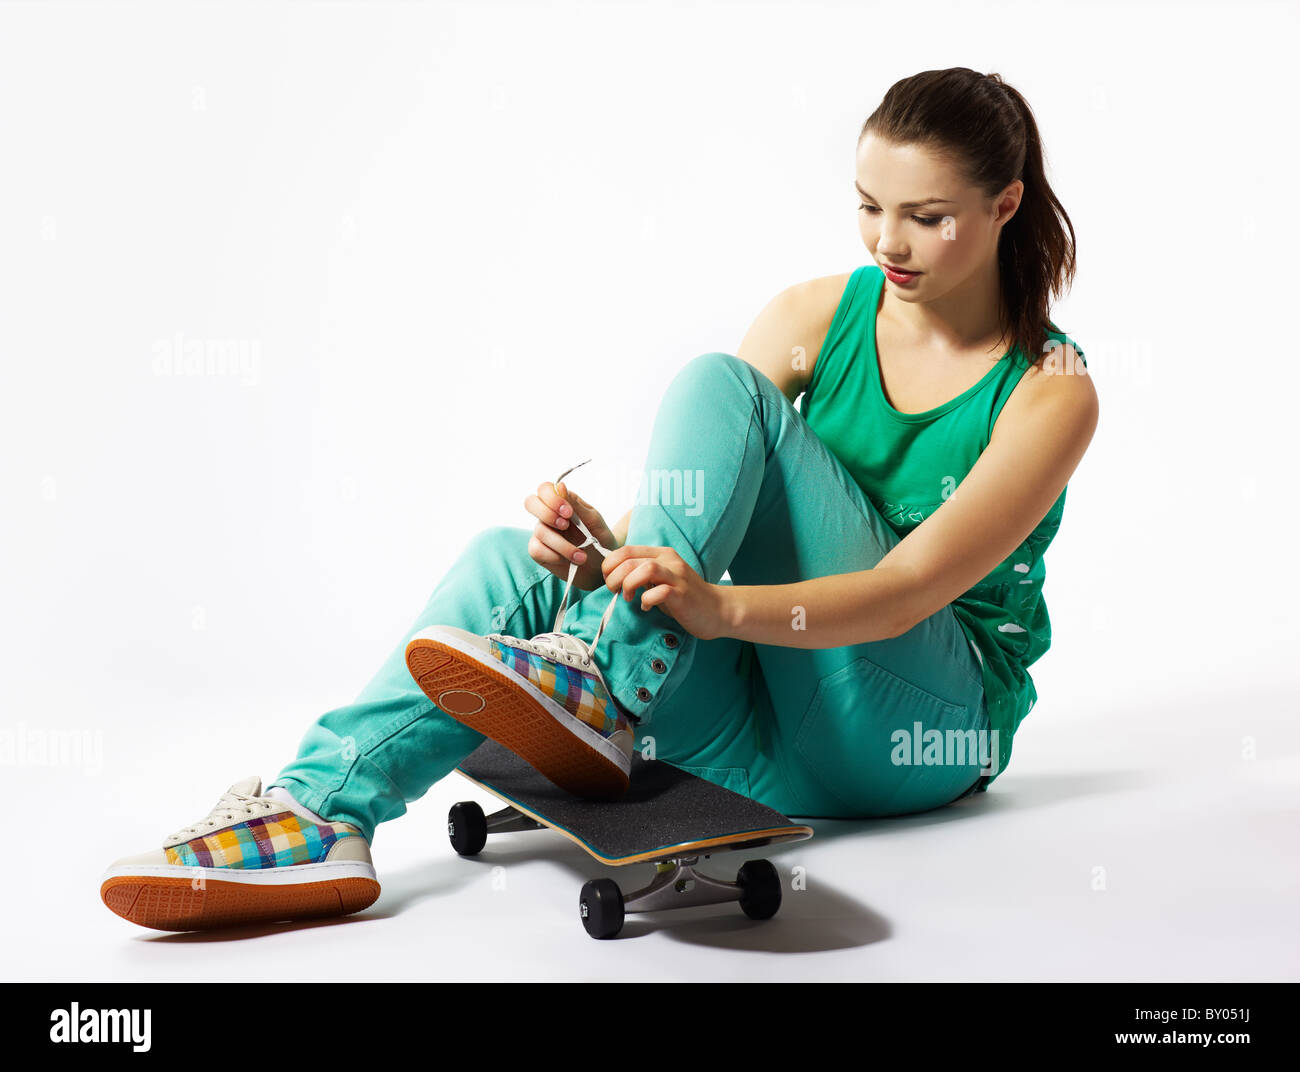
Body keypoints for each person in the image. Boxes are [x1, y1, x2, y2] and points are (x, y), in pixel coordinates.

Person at [100, 67, 1098, 932]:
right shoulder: (817, 315)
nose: (890, 239)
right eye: (868, 205)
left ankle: (605, 680)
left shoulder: (1049, 388)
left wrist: (713, 610)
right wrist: (606, 553)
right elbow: (698, 536)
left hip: (908, 734)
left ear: (1006, 205)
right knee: (510, 562)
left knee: (721, 385)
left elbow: (905, 591)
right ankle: (321, 815)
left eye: (926, 216)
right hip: (763, 729)